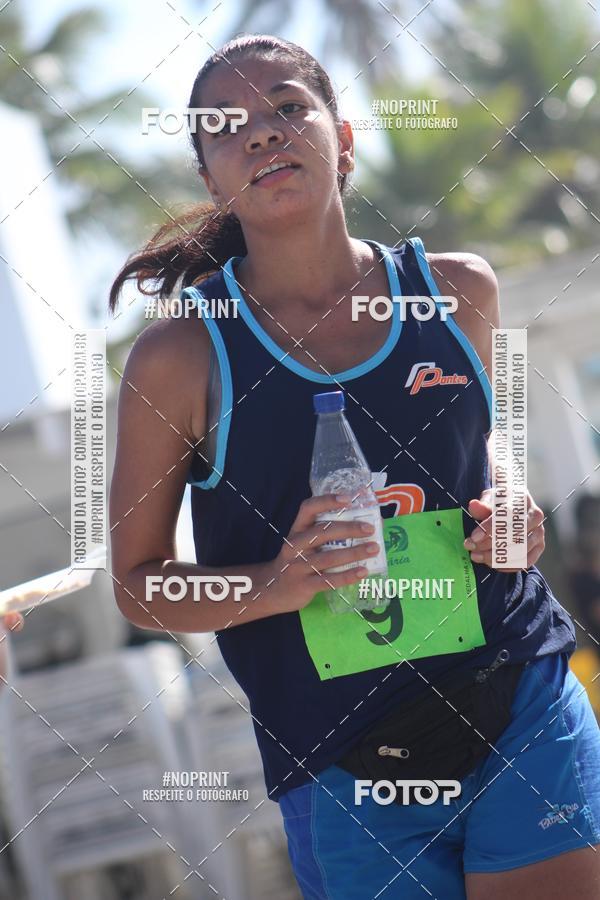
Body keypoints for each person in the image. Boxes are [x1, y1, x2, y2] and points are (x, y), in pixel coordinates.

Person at [108, 34, 600, 900]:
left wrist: (511, 499)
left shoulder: (457, 292)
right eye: (227, 128)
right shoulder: (180, 358)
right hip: (341, 759)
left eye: (289, 108)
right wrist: (277, 582)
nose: (262, 134)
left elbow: (482, 439)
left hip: (516, 693)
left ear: (343, 139)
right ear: (209, 179)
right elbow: (140, 587)